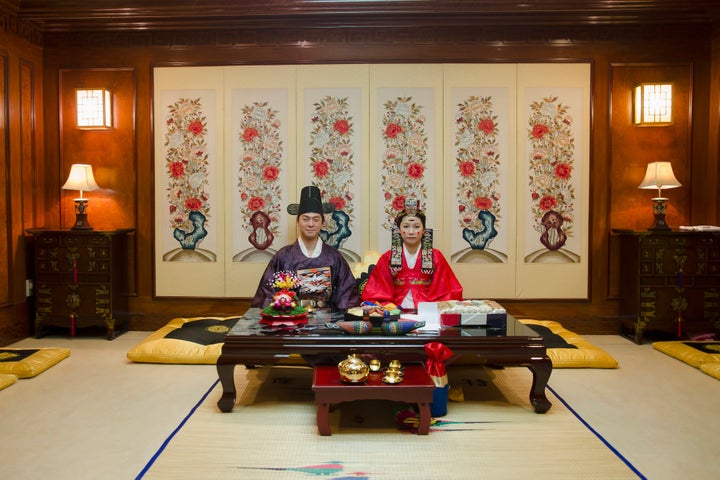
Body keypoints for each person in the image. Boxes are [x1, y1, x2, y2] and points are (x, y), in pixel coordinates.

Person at [251, 185, 360, 311]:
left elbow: (346, 295)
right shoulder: (283, 256)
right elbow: (267, 295)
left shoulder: (334, 257)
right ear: (298, 221)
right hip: (290, 323)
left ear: (322, 223)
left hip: (326, 326)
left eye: (316, 219)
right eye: (305, 219)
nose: (310, 224)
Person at [361, 200, 463, 310]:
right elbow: (377, 288)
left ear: (424, 230)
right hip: (396, 308)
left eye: (416, 227)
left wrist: (432, 307)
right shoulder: (388, 257)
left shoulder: (436, 256)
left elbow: (447, 289)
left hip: (427, 308)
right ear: (398, 230)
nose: (411, 232)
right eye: (406, 226)